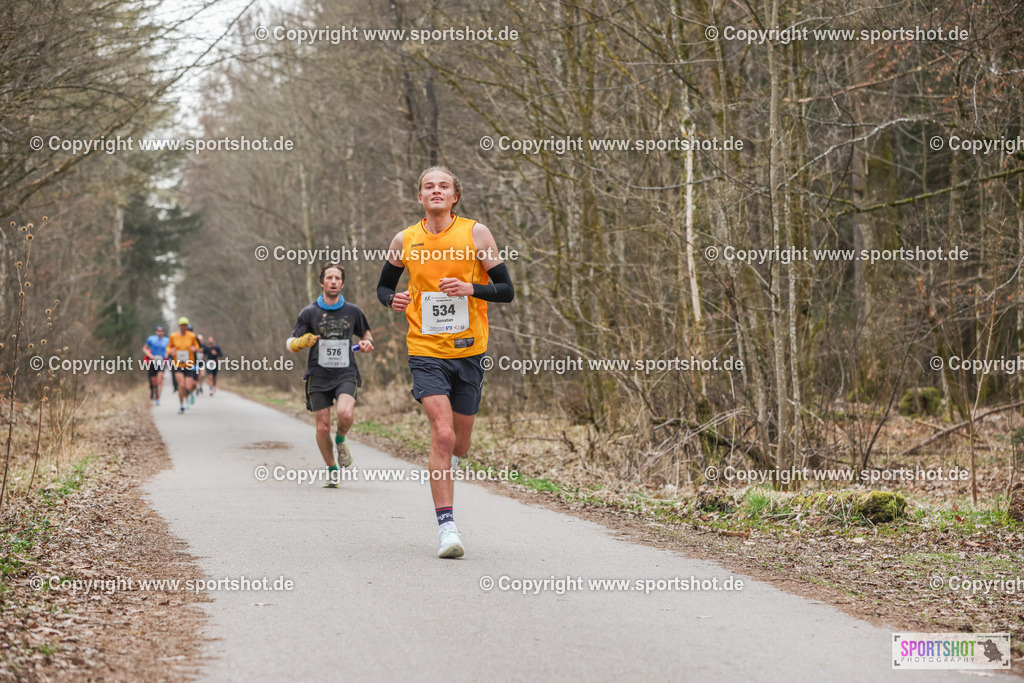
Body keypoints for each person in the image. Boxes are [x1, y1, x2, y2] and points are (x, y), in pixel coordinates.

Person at [376, 165, 515, 558]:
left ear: (455, 196)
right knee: (442, 434)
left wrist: (471, 287)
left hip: (470, 350)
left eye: (444, 186)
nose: (436, 191)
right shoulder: (405, 239)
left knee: (461, 443)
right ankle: (447, 528)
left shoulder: (475, 233)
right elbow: (384, 286)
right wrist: (393, 299)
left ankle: (449, 466)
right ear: (419, 197)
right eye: (428, 186)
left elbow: (506, 291)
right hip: (425, 349)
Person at [287, 263, 373, 488]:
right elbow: (290, 343)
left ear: (342, 283)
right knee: (322, 426)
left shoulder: (353, 311)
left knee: (345, 413)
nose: (333, 281)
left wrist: (367, 343)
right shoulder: (310, 312)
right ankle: (332, 469)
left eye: (337, 278)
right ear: (321, 282)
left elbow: (366, 332)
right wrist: (302, 341)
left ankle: (341, 439)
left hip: (346, 372)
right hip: (318, 375)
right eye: (329, 278)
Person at [166, 317, 200, 414]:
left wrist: (195, 349)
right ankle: (181, 405)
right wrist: (170, 351)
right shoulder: (173, 336)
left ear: (187, 326)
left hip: (189, 364)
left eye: (185, 325)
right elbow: (168, 347)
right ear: (179, 326)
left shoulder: (192, 336)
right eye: (182, 325)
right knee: (181, 385)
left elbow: (197, 347)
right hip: (177, 364)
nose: (184, 327)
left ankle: (188, 396)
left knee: (188, 387)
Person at [143, 325, 169, 406]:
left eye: (161, 331)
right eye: (158, 331)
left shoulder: (167, 340)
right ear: (156, 332)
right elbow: (144, 348)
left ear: (163, 332)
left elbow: (170, 349)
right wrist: (150, 356)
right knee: (153, 381)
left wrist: (167, 356)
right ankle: (153, 389)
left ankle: (158, 398)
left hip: (161, 362)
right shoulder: (151, 339)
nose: (160, 332)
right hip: (152, 361)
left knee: (160, 380)